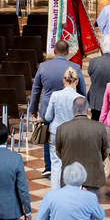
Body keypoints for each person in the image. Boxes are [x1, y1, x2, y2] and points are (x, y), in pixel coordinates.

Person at [30, 39, 87, 178]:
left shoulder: (43, 66)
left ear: (54, 51)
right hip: (69, 105)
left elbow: (36, 89)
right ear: (67, 52)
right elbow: (82, 89)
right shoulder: (75, 67)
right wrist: (82, 106)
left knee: (48, 133)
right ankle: (68, 164)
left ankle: (49, 166)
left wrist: (33, 108)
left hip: (47, 106)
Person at [35, 162, 105, 220]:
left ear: (64, 178)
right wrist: (88, 194)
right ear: (84, 178)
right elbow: (100, 215)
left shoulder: (50, 195)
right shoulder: (90, 196)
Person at [55, 96, 110, 193]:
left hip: (70, 177)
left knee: (71, 202)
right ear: (87, 109)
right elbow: (106, 150)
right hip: (93, 175)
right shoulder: (100, 127)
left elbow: (58, 152)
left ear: (73, 109)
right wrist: (98, 160)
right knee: (91, 201)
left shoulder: (62, 128)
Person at [43, 67, 81, 188]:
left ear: (63, 80)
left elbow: (48, 117)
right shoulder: (80, 99)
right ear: (77, 81)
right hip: (73, 134)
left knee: (55, 164)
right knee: (74, 163)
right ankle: (74, 190)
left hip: (56, 132)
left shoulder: (55, 95)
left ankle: (56, 192)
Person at [88, 34, 110, 122]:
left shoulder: (93, 61)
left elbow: (91, 75)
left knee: (95, 123)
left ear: (102, 46)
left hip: (96, 100)